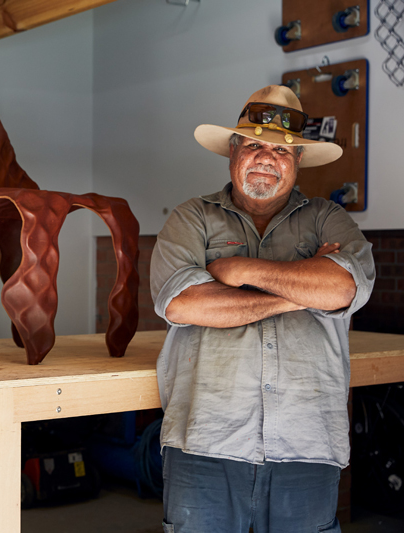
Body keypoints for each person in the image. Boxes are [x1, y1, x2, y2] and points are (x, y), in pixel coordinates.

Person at [150, 85, 374, 533]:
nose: (267, 158)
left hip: (306, 440)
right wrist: (299, 291)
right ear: (233, 152)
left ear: (298, 162)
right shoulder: (191, 218)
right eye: (254, 144)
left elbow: (344, 288)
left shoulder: (328, 218)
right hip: (205, 437)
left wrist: (236, 269)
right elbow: (183, 301)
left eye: (283, 151)